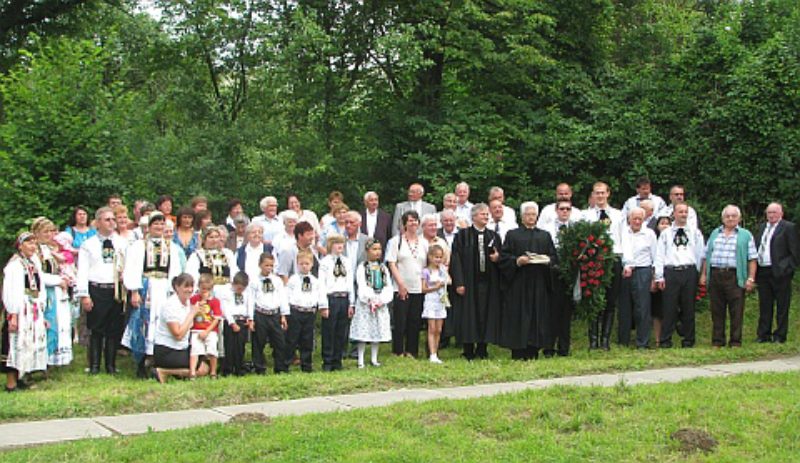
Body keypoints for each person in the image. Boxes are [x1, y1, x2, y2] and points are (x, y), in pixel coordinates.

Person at [122, 212, 183, 378]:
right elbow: (132, 268)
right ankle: (140, 361)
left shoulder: (172, 247)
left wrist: (174, 293)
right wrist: (134, 291)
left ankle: (158, 360)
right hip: (146, 287)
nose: (159, 227)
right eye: (155, 224)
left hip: (164, 288)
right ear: (148, 227)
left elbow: (175, 271)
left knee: (162, 324)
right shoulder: (138, 246)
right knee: (143, 323)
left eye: (162, 224)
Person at [498, 202, 557, 360]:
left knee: (538, 316)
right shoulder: (512, 235)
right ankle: (518, 351)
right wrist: (517, 261)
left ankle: (535, 349)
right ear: (522, 217)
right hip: (518, 283)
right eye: (527, 214)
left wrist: (547, 260)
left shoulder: (544, 235)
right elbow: (504, 258)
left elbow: (554, 257)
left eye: (533, 214)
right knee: (519, 316)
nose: (531, 217)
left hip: (539, 283)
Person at [76, 207, 128, 374]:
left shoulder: (122, 242)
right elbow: (82, 271)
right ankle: (95, 366)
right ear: (97, 223)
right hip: (97, 289)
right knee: (96, 329)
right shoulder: (88, 245)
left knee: (113, 329)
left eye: (113, 219)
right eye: (107, 220)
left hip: (115, 289)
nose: (112, 222)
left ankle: (111, 365)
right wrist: (84, 295)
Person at [700, 205, 757, 348]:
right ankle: (717, 341)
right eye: (727, 216)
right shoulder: (715, 233)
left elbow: (752, 259)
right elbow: (707, 256)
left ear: (739, 218)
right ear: (722, 218)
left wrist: (750, 278)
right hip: (716, 275)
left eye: (733, 216)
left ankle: (735, 341)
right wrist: (704, 274)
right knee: (717, 310)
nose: (730, 218)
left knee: (736, 310)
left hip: (734, 276)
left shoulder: (745, 235)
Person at [450, 203, 503, 360]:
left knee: (485, 315)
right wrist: (459, 282)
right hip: (469, 282)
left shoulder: (494, 236)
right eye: (482, 214)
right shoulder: (462, 236)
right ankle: (468, 349)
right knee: (469, 315)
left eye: (487, 215)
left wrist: (498, 258)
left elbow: (502, 258)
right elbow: (456, 260)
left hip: (488, 282)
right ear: (473, 217)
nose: (486, 217)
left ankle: (482, 348)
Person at [653, 204, 704, 348]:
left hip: (689, 271)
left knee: (688, 307)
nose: (683, 214)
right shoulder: (666, 233)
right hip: (671, 271)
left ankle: (688, 340)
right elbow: (659, 255)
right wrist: (659, 276)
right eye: (680, 212)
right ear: (673, 214)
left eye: (685, 212)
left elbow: (700, 254)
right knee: (669, 307)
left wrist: (697, 272)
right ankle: (665, 340)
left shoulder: (695, 232)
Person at [2, 232, 48, 391]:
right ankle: (11, 382)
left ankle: (22, 377)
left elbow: (39, 286)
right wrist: (13, 313)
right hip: (20, 309)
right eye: (29, 243)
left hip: (32, 307)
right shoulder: (14, 265)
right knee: (15, 343)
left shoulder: (33, 263)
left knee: (29, 342)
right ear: (20, 245)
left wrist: (41, 306)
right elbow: (10, 290)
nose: (32, 246)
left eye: (34, 243)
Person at [582, 181, 624, 350]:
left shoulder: (618, 215)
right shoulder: (586, 216)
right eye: (596, 193)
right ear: (593, 195)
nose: (600, 196)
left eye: (602, 193)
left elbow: (623, 238)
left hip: (613, 258)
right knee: (594, 301)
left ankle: (605, 340)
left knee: (610, 301)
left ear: (608, 194)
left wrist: (626, 261)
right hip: (594, 260)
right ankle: (593, 340)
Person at [31, 217, 73, 367]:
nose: (49, 235)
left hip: (55, 292)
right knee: (47, 325)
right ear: (36, 233)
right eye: (45, 231)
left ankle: (51, 359)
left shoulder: (48, 249)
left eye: (51, 231)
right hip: (44, 292)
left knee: (58, 326)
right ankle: (41, 361)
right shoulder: (35, 251)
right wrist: (58, 280)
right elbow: (38, 275)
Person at [153, 273, 210, 383]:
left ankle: (175, 373)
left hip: (182, 347)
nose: (189, 290)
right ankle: (163, 371)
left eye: (191, 287)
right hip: (167, 350)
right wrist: (192, 314)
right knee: (202, 369)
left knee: (204, 362)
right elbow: (178, 334)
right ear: (177, 287)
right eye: (186, 286)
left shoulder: (188, 303)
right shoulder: (170, 305)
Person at [386, 211, 429, 358]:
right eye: (410, 221)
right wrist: (400, 284)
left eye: (416, 220)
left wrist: (425, 284)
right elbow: (392, 263)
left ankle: (412, 350)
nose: (413, 223)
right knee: (400, 320)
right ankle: (398, 350)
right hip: (401, 286)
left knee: (415, 320)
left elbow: (427, 265)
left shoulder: (424, 242)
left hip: (418, 286)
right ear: (404, 224)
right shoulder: (395, 241)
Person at [755, 202, 799, 344]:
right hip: (763, 271)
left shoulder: (788, 227)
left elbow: (795, 252)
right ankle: (763, 334)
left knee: (782, 305)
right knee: (765, 305)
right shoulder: (762, 227)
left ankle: (780, 335)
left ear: (781, 213)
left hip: (780, 272)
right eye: (769, 212)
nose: (771, 215)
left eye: (774, 212)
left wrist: (786, 268)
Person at [617, 207, 657, 349]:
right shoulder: (623, 233)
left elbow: (655, 256)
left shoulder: (649, 234)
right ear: (629, 219)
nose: (637, 221)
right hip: (625, 271)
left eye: (640, 218)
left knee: (642, 308)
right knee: (624, 307)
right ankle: (623, 341)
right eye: (634, 218)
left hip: (643, 271)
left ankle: (643, 342)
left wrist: (654, 277)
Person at [350, 239, 394, 368]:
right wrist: (370, 299)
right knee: (364, 331)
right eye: (374, 249)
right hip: (366, 303)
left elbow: (388, 285)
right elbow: (362, 284)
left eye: (379, 249)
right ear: (367, 251)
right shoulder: (362, 267)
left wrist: (382, 299)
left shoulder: (383, 268)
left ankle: (374, 358)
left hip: (380, 301)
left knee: (377, 330)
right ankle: (361, 359)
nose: (377, 252)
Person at [543, 199, 576, 357]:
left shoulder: (576, 228)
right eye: (562, 209)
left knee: (566, 313)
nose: (565, 212)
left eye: (568, 209)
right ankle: (549, 347)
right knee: (551, 312)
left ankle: (564, 348)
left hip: (569, 273)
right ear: (556, 210)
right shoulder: (548, 229)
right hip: (552, 273)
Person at [284, 250, 326, 372]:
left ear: (312, 264)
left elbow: (320, 294)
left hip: (309, 312)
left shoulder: (315, 281)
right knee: (292, 339)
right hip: (296, 311)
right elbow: (287, 295)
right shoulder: (293, 279)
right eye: (301, 263)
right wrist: (286, 311)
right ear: (297, 264)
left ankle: (306, 365)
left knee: (307, 340)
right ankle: (286, 364)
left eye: (307, 263)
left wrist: (322, 306)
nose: (304, 266)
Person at [318, 234, 355, 371]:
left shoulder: (346, 261)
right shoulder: (325, 262)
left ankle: (337, 360)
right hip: (331, 298)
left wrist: (351, 303)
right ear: (331, 245)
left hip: (343, 297)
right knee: (329, 330)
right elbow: (321, 284)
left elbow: (350, 282)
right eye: (337, 244)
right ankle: (327, 361)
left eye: (342, 244)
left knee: (341, 331)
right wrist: (323, 304)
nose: (340, 247)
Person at [248, 254, 289, 375]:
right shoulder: (254, 281)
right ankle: (259, 367)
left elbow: (282, 297)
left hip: (275, 314)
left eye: (271, 265)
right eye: (266, 265)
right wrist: (251, 318)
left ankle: (280, 367)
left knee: (279, 342)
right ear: (260, 265)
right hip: (261, 313)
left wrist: (283, 314)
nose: (269, 268)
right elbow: (251, 299)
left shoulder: (277, 280)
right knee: (259, 342)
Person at [218, 272, 254, 376]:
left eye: (242, 289)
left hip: (242, 320)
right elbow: (225, 308)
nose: (240, 291)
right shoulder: (226, 291)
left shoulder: (247, 292)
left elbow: (249, 304)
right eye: (238, 288)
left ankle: (239, 368)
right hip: (231, 321)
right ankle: (228, 369)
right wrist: (232, 323)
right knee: (229, 346)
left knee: (240, 346)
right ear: (233, 284)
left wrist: (250, 318)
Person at [188, 273, 222, 378]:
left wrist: (207, 331)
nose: (205, 291)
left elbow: (217, 318)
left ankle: (213, 372)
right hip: (196, 329)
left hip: (210, 330)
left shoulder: (215, 301)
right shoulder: (194, 299)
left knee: (212, 350)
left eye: (208, 289)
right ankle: (192, 372)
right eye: (203, 288)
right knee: (195, 350)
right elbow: (190, 313)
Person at [421, 245, 449, 363]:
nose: (438, 260)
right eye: (436, 257)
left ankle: (436, 353)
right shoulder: (426, 271)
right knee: (432, 328)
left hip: (441, 301)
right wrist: (435, 287)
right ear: (430, 257)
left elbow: (449, 280)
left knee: (438, 329)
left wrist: (443, 281)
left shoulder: (442, 270)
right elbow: (423, 288)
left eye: (440, 257)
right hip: (430, 300)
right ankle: (431, 353)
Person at [650, 215, 673, 346]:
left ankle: (668, 336)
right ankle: (658, 339)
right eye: (662, 223)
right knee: (657, 310)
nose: (664, 225)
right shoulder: (653, 238)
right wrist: (654, 278)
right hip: (656, 277)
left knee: (670, 308)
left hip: (671, 276)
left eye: (667, 223)